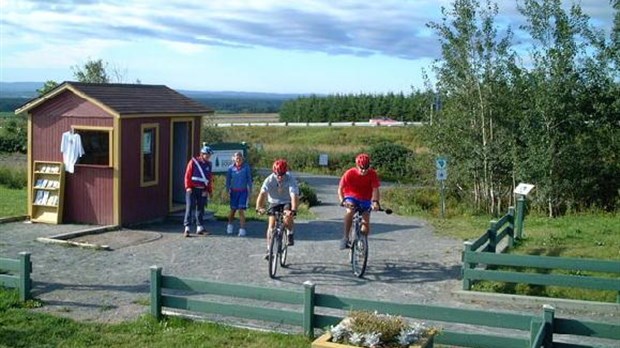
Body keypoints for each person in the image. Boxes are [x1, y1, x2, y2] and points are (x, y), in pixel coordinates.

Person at [255, 159, 299, 259]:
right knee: (271, 226)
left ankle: (290, 233)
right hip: (274, 202)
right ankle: (268, 249)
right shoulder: (269, 180)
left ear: (285, 172)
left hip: (286, 201)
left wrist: (293, 210)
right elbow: (262, 194)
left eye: (282, 175)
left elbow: (293, 196)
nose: (279, 177)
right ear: (274, 172)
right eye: (277, 175)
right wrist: (259, 207)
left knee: (287, 218)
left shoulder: (290, 179)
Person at [337, 153, 381, 249]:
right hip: (351, 197)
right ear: (357, 166)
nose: (364, 170)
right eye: (361, 168)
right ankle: (345, 237)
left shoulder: (372, 174)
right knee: (350, 212)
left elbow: (375, 190)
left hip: (365, 199)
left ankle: (362, 241)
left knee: (365, 227)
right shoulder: (349, 173)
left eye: (366, 168)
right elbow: (340, 188)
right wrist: (343, 201)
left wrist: (375, 202)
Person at [183, 145, 214, 237]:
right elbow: (187, 175)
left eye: (209, 155)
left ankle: (199, 227)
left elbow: (209, 178)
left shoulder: (209, 164)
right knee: (189, 208)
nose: (208, 156)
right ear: (202, 154)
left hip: (202, 190)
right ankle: (187, 228)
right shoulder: (193, 162)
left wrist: (209, 190)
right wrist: (188, 187)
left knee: (201, 209)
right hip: (192, 189)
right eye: (206, 154)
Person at [225, 151, 252, 237]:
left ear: (242, 159)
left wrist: (250, 190)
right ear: (234, 159)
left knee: (241, 210)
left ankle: (242, 229)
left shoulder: (246, 167)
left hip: (243, 191)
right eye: (237, 158)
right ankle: (229, 225)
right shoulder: (230, 168)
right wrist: (227, 190)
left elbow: (249, 179)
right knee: (233, 210)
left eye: (240, 158)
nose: (238, 159)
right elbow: (228, 180)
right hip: (234, 192)